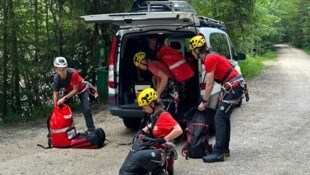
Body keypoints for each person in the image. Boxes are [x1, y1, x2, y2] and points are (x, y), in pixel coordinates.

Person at [189, 35, 245, 163]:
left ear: (197, 50)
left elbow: (210, 84)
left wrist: (204, 102)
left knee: (219, 117)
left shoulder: (209, 58)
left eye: (192, 50)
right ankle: (224, 148)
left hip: (233, 88)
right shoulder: (210, 57)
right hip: (233, 87)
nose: (191, 53)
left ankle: (218, 152)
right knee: (223, 117)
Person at [119, 87, 183, 175]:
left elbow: (179, 130)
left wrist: (164, 139)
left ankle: (160, 172)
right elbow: (153, 124)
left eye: (144, 107)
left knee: (139, 156)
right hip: (156, 148)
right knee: (135, 151)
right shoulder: (155, 115)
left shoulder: (164, 115)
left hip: (164, 152)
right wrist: (142, 130)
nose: (143, 109)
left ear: (152, 104)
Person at [52, 56, 96, 132]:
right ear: (56, 70)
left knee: (87, 109)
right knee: (60, 108)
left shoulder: (73, 73)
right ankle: (64, 131)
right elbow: (55, 94)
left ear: (66, 68)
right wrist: (55, 108)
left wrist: (64, 98)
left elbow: (75, 90)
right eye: (59, 70)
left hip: (82, 89)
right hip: (69, 91)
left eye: (63, 69)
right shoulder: (56, 78)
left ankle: (92, 130)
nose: (61, 72)